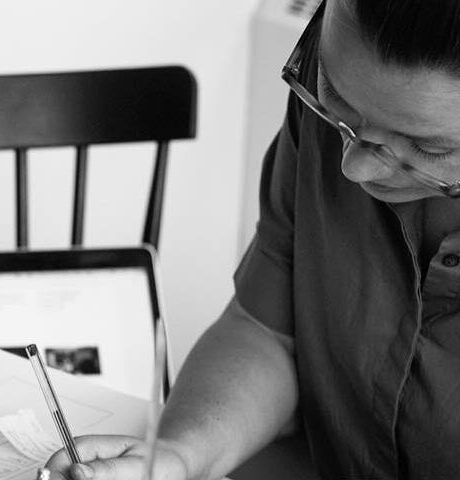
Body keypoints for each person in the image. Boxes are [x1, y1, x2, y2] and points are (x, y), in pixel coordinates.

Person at [46, 0, 460, 478]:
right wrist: (181, 456)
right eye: (334, 95)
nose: (354, 166)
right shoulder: (339, 119)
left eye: (427, 148)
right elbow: (269, 332)